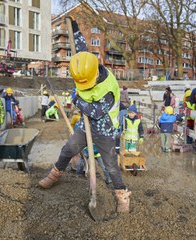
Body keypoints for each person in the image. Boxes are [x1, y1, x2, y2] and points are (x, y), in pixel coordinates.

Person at [38, 51, 131, 213]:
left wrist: (76, 100)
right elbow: (80, 43)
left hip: (105, 129)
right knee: (68, 150)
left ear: (95, 74)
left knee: (110, 166)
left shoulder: (108, 88)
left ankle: (122, 195)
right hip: (85, 124)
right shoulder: (84, 65)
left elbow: (96, 112)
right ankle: (55, 174)